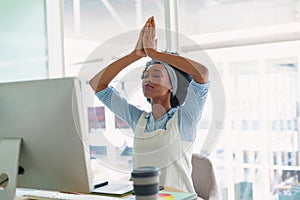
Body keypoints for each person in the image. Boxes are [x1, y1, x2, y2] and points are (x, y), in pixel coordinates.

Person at [89, 16, 209, 193]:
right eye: (145, 76)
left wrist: (155, 54)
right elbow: (97, 84)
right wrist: (135, 55)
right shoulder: (139, 120)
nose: (147, 79)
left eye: (157, 75)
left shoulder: (185, 119)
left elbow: (202, 73)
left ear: (172, 87)